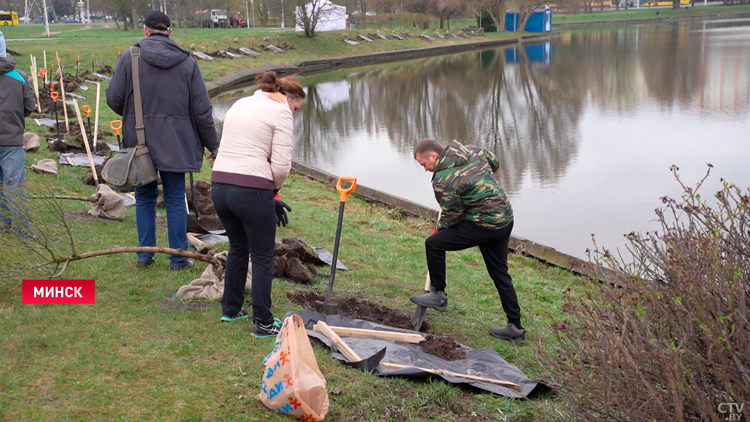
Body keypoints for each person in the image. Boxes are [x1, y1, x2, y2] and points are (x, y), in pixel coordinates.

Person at [106, 11, 218, 270]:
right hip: (177, 141)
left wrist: (135, 115)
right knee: (176, 198)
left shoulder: (129, 57)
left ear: (145, 31)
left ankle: (145, 255)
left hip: (139, 138)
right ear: (170, 31)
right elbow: (202, 111)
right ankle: (178, 258)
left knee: (144, 197)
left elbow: (114, 99)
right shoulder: (188, 63)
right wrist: (214, 146)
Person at [210, 72, 305, 337]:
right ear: (288, 98)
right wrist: (272, 191)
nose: (293, 113)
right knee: (263, 256)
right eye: (296, 108)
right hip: (251, 190)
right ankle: (263, 322)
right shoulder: (281, 112)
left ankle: (231, 309)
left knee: (238, 248)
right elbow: (282, 164)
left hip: (219, 186)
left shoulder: (240, 103)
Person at [411, 139, 526, 344]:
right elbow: (495, 162)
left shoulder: (442, 180)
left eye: (423, 164)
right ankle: (515, 327)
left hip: (484, 224)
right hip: (505, 218)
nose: (425, 170)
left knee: (434, 244)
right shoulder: (473, 151)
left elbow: (453, 216)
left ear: (433, 156)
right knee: (499, 273)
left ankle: (438, 295)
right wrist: (480, 184)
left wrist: (439, 229)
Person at [0, 30, 37, 236]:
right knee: (14, 185)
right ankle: (21, 231)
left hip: (11, 138)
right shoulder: (20, 77)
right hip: (12, 140)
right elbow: (29, 106)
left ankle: (3, 225)